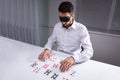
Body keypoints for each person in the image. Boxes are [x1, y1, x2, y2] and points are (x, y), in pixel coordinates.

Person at [38, 1, 93, 72]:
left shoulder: (81, 29)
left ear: (72, 15)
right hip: (58, 58)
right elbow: (51, 41)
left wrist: (73, 58)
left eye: (65, 19)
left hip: (74, 60)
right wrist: (47, 49)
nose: (63, 22)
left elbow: (89, 51)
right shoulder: (57, 27)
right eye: (61, 19)